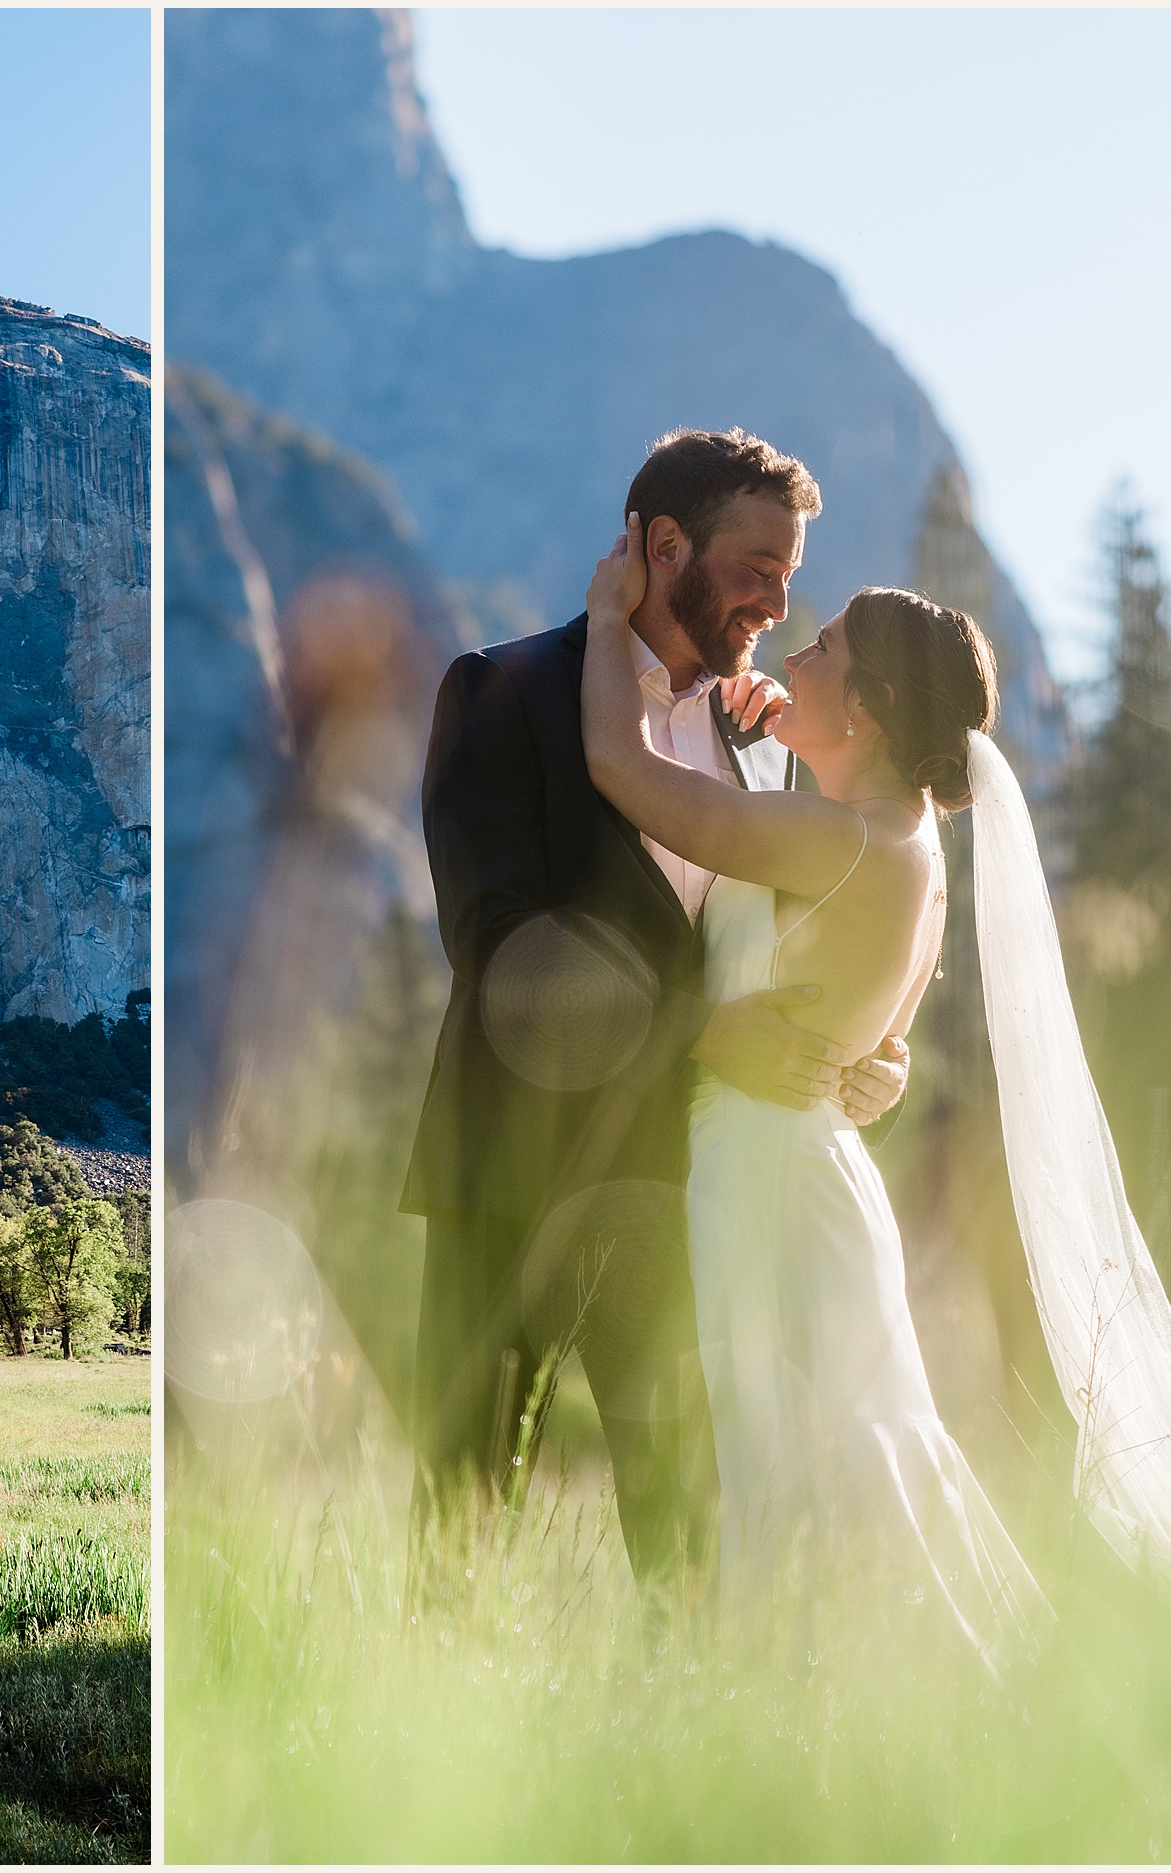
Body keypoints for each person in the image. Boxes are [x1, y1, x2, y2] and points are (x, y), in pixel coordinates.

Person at [579, 511, 1171, 1653]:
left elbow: (619, 768)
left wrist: (610, 620)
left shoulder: (836, 844)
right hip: (805, 1177)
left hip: (764, 1180)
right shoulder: (894, 840)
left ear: (864, 708)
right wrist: (768, 740)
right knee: (827, 1455)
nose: (791, 658)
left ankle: (802, 1726)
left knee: (786, 1464)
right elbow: (877, 1060)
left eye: (821, 657)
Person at [400, 427, 909, 1589]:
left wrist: (867, 1051)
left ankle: (681, 1741)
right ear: (663, 543)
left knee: (689, 1527)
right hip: (513, 1165)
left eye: (790, 574)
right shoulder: (502, 691)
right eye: (756, 566)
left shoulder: (769, 746)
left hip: (693, 1188)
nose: (778, 601)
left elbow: (809, 940)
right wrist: (699, 1033)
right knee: (461, 1514)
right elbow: (496, 950)